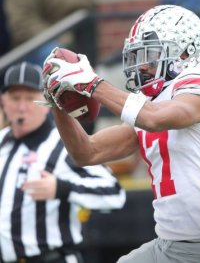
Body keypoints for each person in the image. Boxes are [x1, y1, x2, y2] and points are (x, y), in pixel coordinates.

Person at [41, 5, 200, 263]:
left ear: (186, 52)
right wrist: (58, 104)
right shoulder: (151, 103)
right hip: (167, 244)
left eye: (151, 54)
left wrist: (91, 82)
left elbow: (155, 118)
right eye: (137, 56)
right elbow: (88, 152)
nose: (142, 66)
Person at [0, 61, 126, 263]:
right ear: (3, 102)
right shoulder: (2, 141)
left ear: (44, 102)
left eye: (30, 98)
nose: (22, 107)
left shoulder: (64, 145)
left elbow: (115, 193)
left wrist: (62, 188)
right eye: (15, 98)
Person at [4, 0, 94, 65]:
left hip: (80, 37)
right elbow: (22, 23)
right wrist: (62, 39)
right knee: (53, 54)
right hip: (36, 46)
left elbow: (86, 5)